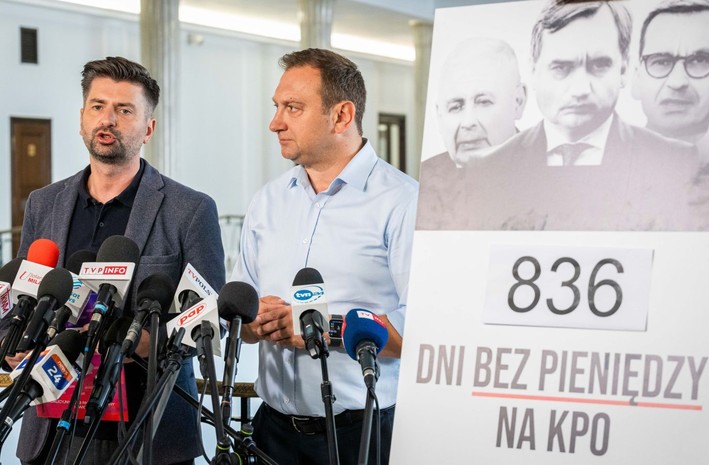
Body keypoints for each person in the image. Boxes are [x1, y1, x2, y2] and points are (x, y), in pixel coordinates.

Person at [2, 56, 225, 465]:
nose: (108, 120)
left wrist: (144, 341)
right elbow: (23, 295)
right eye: (98, 106)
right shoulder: (43, 204)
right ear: (82, 119)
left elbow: (211, 321)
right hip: (50, 428)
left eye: (124, 110)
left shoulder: (190, 210)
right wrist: (13, 342)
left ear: (148, 128)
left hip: (148, 427)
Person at [231, 48, 418, 465]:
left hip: (362, 433)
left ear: (342, 115)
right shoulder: (267, 202)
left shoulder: (403, 202)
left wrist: (321, 329)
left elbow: (421, 333)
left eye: (293, 108)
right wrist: (253, 321)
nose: (275, 122)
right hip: (272, 432)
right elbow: (241, 317)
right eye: (277, 107)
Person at [467, 0, 700, 231]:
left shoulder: (675, 162)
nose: (580, 89)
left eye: (599, 65)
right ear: (534, 71)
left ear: (623, 69)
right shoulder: (489, 169)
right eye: (561, 68)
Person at [632, 0, 709, 230]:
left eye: (700, 61)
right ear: (637, 78)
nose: (677, 82)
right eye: (661, 62)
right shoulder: (599, 169)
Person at [417, 37, 527, 230]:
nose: (468, 123)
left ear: (518, 102)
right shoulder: (425, 180)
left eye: (483, 102)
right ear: (438, 114)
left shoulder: (551, 175)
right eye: (455, 106)